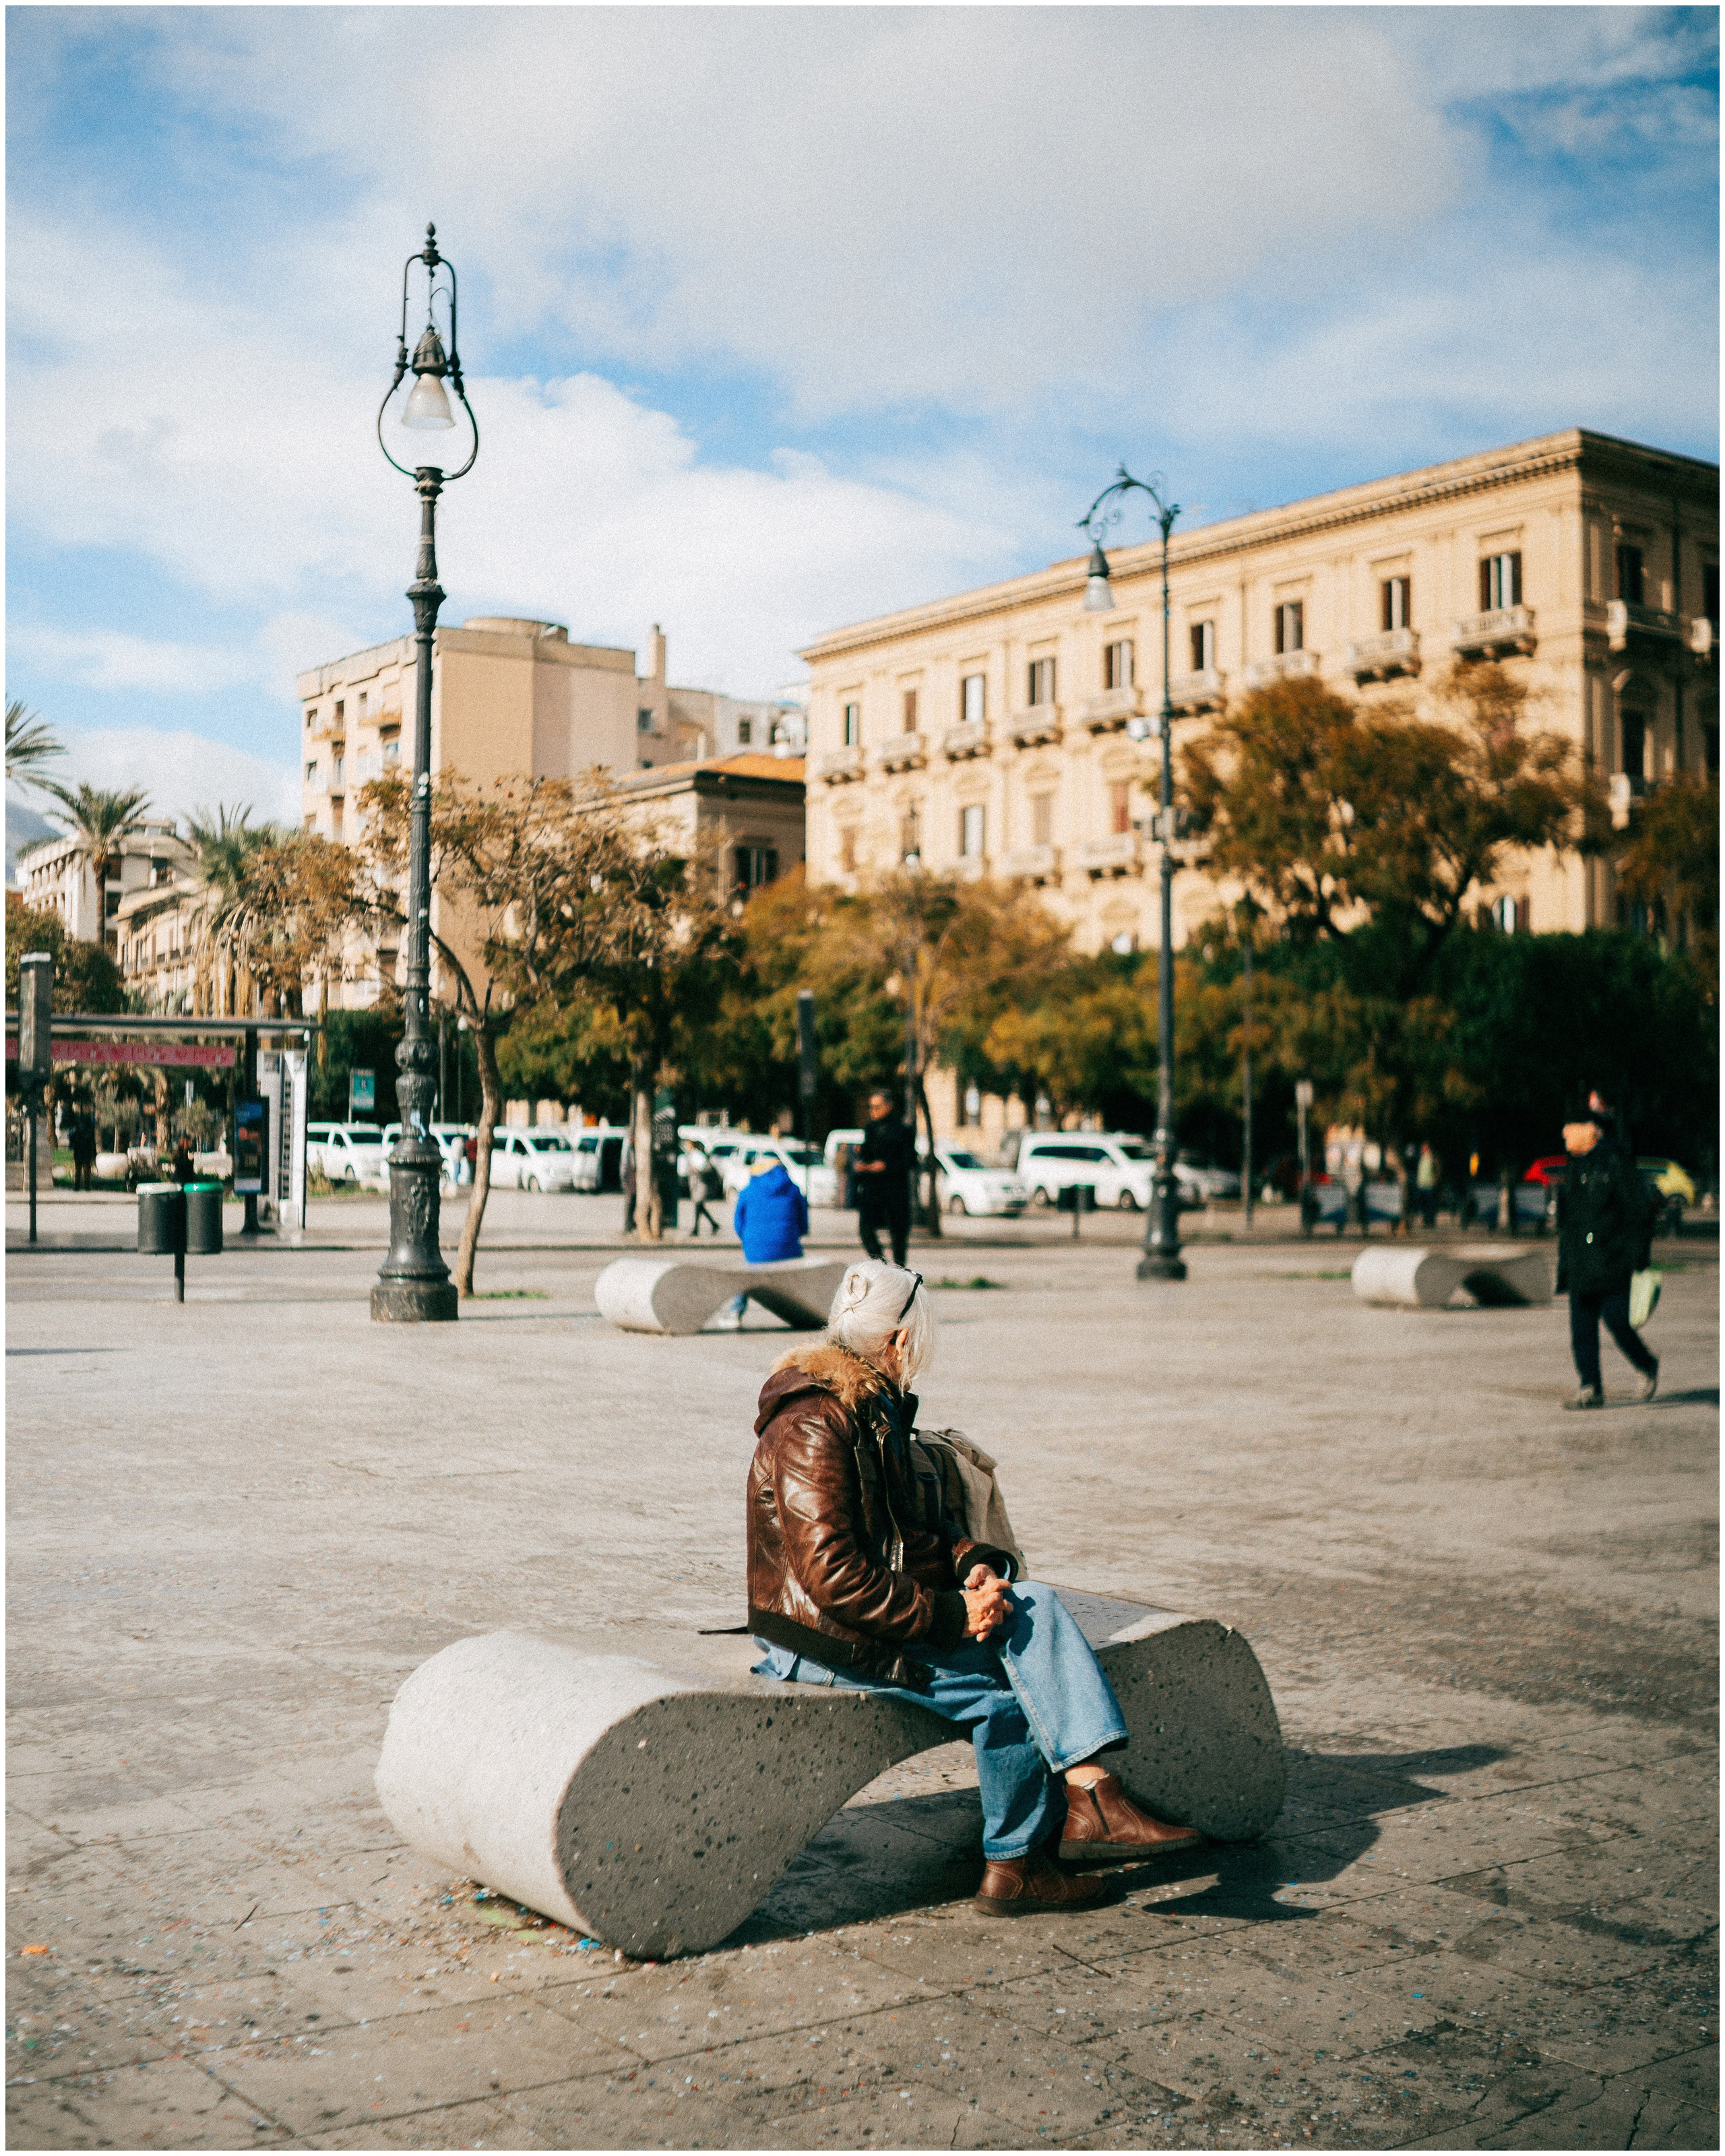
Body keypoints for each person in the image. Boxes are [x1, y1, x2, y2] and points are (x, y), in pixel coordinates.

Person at [747, 1259, 1201, 1914]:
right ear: (899, 1341)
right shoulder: (813, 1423)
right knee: (1008, 1686)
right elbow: (832, 1578)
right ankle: (1036, 1845)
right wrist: (951, 1615)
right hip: (814, 1634)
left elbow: (911, 1530)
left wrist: (971, 1566)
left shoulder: (867, 1405)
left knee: (1030, 1608)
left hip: (860, 1616)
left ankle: (1074, 1810)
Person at [1557, 1103, 1658, 1409]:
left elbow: (1639, 1213)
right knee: (1582, 1328)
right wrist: (1566, 1261)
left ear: (1593, 1131)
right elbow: (1569, 1221)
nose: (1566, 1134)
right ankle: (1590, 1387)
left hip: (1611, 1259)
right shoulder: (1575, 1166)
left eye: (1573, 1127)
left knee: (1617, 1321)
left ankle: (1646, 1364)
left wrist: (1638, 1257)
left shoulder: (1615, 1162)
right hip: (1580, 1261)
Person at [716, 1153, 810, 1329]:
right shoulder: (794, 1190)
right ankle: (807, 1311)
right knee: (800, 1266)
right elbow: (804, 1224)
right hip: (789, 1249)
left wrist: (749, 1240)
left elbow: (738, 1224)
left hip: (756, 1251)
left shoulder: (747, 1191)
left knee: (746, 1273)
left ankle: (735, 1312)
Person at [854, 1089, 915, 1267]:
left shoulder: (903, 1130)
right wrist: (861, 1162)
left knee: (898, 1237)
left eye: (877, 1107)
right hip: (872, 1189)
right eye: (870, 1107)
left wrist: (886, 1166)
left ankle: (899, 1272)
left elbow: (910, 1160)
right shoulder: (871, 1129)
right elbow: (867, 1153)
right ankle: (882, 1266)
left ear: (889, 1106)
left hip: (895, 1190)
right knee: (865, 1231)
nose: (873, 1111)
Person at [687, 1145, 724, 1237]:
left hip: (701, 1184)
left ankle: (696, 1229)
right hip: (700, 1184)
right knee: (700, 1206)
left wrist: (695, 1170)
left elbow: (700, 1169)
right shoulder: (700, 1155)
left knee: (698, 1205)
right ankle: (713, 1224)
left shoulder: (698, 1156)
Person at [69, 1102, 98, 1193]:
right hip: (85, 1148)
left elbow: (72, 1136)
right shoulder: (89, 1123)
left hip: (80, 1148)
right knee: (85, 1168)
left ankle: (77, 1185)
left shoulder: (77, 1123)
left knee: (79, 1168)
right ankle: (86, 1186)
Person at [1416, 1142, 1441, 1230]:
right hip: (1421, 1184)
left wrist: (1435, 1180)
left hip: (1430, 1185)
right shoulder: (1421, 1157)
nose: (1423, 1149)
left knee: (1430, 1204)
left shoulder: (1433, 1157)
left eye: (1425, 1147)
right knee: (1423, 1205)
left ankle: (1431, 1222)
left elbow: (1438, 1169)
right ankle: (1425, 1222)